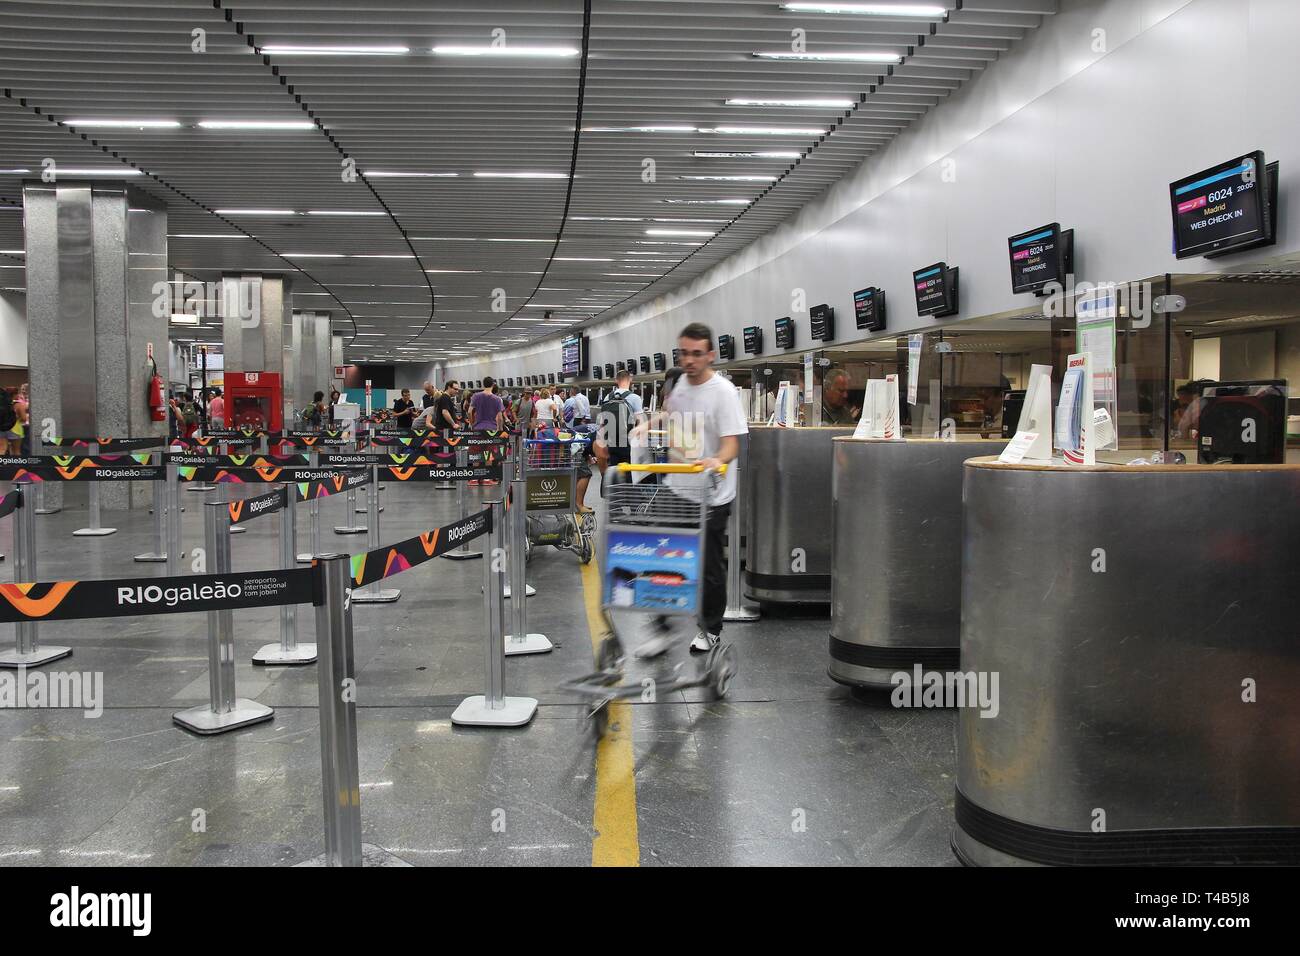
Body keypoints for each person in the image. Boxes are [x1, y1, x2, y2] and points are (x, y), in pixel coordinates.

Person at [634, 324, 747, 659]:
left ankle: (710, 629)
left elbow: (732, 444)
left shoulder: (724, 393)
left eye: (697, 354)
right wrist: (650, 423)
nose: (689, 360)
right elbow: (675, 415)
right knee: (661, 554)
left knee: (709, 566)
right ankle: (662, 628)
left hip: (711, 494)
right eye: (684, 353)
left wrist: (716, 460)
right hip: (677, 486)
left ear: (710, 355)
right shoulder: (680, 384)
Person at [0, 387, 18, 457]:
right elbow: (23, 418)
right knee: (16, 450)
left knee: (2, 448)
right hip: (14, 427)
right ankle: (16, 467)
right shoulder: (15, 404)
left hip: (3, 426)